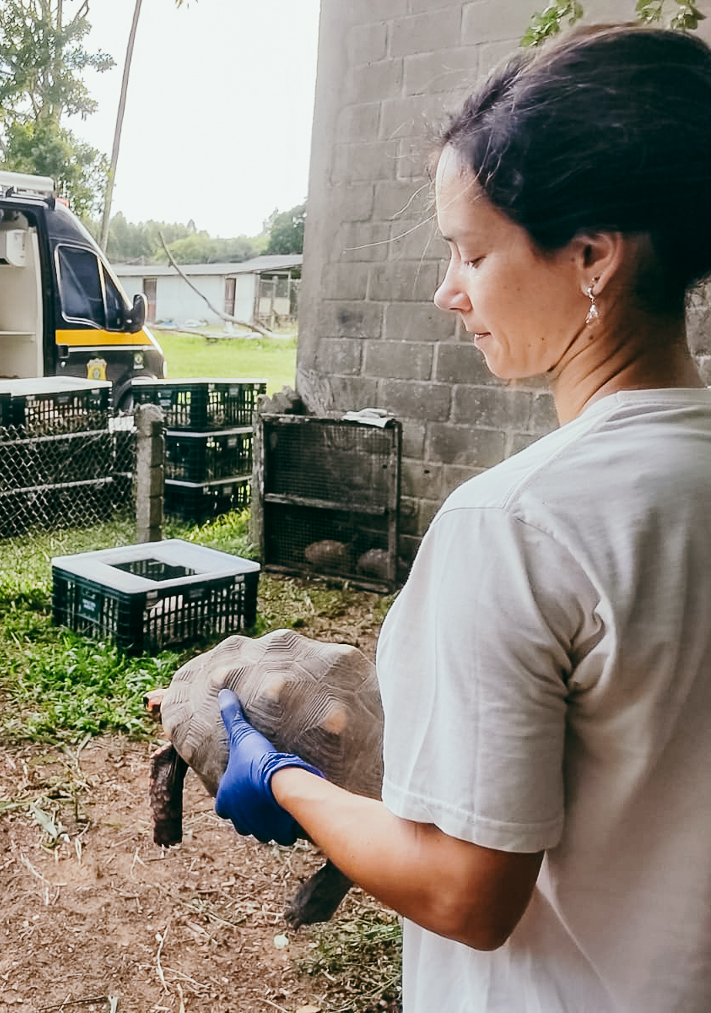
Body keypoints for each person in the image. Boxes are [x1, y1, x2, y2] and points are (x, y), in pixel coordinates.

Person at [213, 24, 711, 1011]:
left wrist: (279, 778)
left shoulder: (518, 523)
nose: (449, 292)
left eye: (473, 252)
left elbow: (465, 888)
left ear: (593, 257)